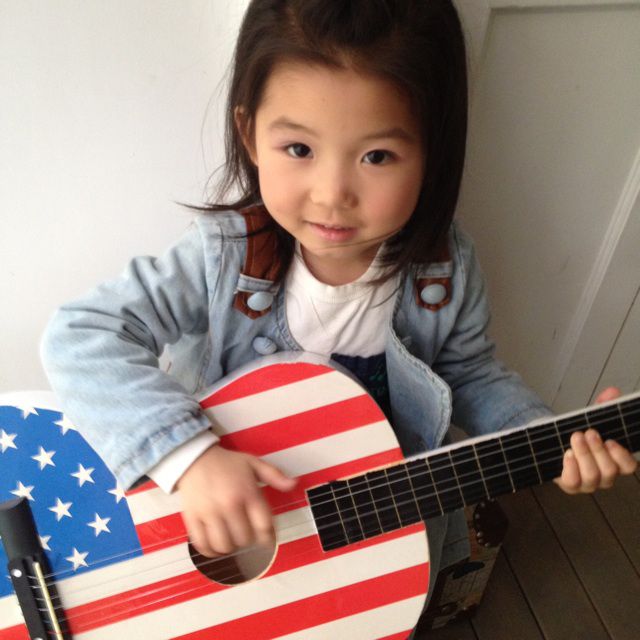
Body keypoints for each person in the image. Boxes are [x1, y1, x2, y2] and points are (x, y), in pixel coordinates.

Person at [41, 0, 637, 627]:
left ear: (432, 151)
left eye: (376, 156)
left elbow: (470, 375)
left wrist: (550, 436)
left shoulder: (444, 271)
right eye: (298, 147)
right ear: (249, 133)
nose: (332, 195)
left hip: (375, 537)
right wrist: (188, 458)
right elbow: (83, 335)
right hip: (236, 535)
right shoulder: (223, 257)